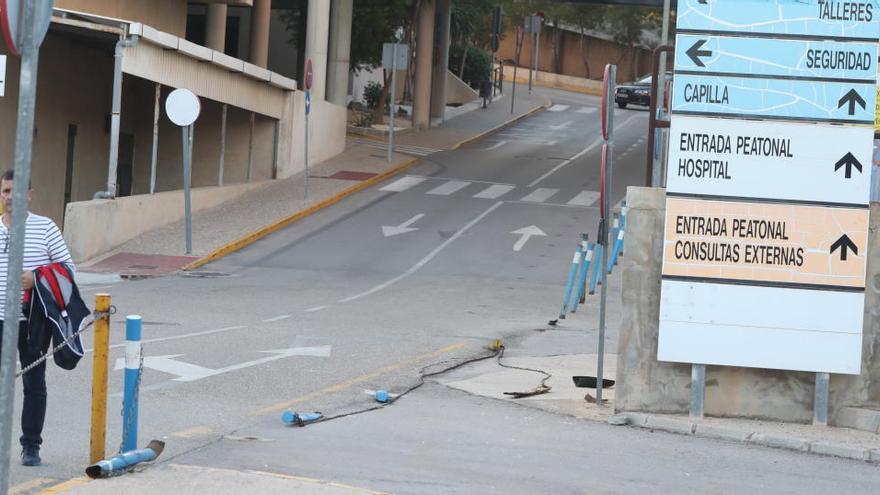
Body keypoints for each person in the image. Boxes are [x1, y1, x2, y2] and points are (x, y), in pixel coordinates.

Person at [0, 169, 74, 466]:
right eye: (5, 191)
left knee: (34, 383)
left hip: (33, 321)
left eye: (15, 192)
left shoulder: (45, 228)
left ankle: (30, 446)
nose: (9, 197)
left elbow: (68, 269)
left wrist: (37, 277)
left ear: (28, 195)